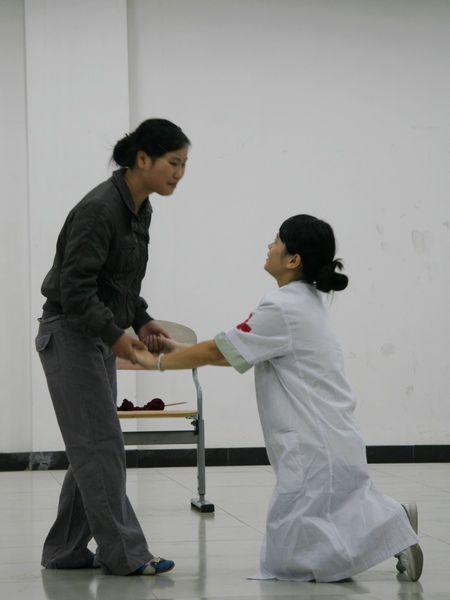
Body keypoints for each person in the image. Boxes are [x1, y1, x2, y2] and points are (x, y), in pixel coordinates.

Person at [135, 214, 424, 583]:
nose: (269, 246)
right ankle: (394, 518)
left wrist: (157, 362)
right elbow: (234, 351)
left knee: (292, 558)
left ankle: (394, 523)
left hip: (313, 442)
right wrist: (174, 348)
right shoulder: (304, 302)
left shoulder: (282, 307)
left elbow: (219, 351)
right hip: (330, 435)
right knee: (331, 517)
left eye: (276, 241)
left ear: (293, 259)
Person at [35, 118, 190, 576]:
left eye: (184, 164)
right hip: (70, 333)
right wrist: (118, 337)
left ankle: (64, 550)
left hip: (94, 336)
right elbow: (75, 289)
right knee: (101, 446)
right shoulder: (100, 209)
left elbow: (118, 282)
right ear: (142, 159)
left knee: (94, 445)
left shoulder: (139, 210)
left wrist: (141, 320)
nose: (179, 173)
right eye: (173, 162)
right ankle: (127, 554)